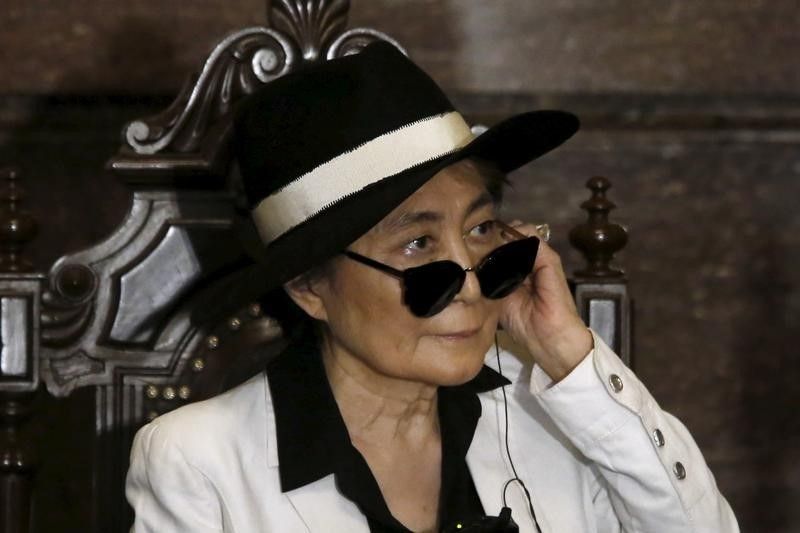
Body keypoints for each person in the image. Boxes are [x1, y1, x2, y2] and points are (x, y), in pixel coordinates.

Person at [125, 41, 739, 532]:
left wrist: (568, 356)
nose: (470, 285)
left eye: (480, 230)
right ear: (309, 288)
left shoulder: (556, 417)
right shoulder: (199, 462)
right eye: (418, 245)